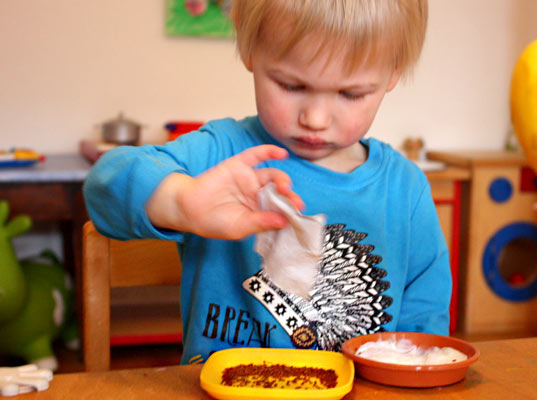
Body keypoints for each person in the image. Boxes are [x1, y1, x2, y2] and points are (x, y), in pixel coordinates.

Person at [84, 0, 451, 364]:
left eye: (350, 94)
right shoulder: (221, 152)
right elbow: (105, 186)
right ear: (250, 50)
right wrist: (180, 202)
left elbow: (424, 334)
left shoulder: (407, 191)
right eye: (291, 85)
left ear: (393, 74)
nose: (316, 118)